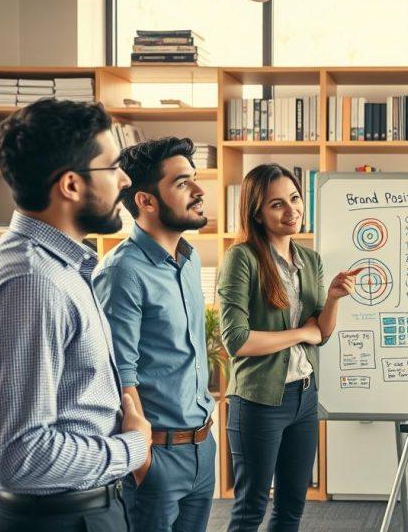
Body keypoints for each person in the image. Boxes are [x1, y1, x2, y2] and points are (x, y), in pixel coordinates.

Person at [0, 99, 150, 531]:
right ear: (71, 186)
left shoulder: (56, 266)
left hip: (79, 508)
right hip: (56, 519)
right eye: (113, 166)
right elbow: (21, 457)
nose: (125, 178)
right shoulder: (32, 284)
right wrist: (133, 447)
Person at [218, 163, 359, 532]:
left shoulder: (310, 260)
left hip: (304, 397)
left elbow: (322, 333)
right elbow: (237, 339)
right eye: (277, 204)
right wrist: (300, 334)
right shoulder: (242, 258)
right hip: (260, 402)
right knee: (250, 510)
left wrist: (332, 300)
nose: (291, 210)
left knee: (292, 509)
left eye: (294, 199)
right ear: (258, 213)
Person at [93, 137, 216, 531]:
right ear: (146, 201)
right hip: (156, 457)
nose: (199, 191)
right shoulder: (122, 271)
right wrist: (144, 462)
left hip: (202, 448)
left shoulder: (190, 259)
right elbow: (116, 373)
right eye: (182, 183)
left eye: (195, 180)